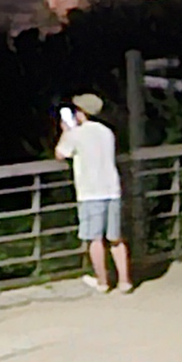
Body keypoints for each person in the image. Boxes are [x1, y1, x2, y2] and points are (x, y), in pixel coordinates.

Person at [61, 92, 132, 291]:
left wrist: (65, 131)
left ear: (82, 113)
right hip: (112, 189)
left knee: (95, 239)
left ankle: (102, 281)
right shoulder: (107, 132)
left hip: (90, 192)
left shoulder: (76, 134)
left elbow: (61, 153)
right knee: (116, 238)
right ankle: (125, 281)